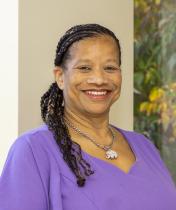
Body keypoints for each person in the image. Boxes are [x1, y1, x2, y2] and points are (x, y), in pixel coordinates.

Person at [0, 24, 176, 210]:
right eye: (84, 68)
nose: (99, 79)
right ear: (60, 77)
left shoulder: (144, 146)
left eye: (110, 68)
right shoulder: (33, 150)